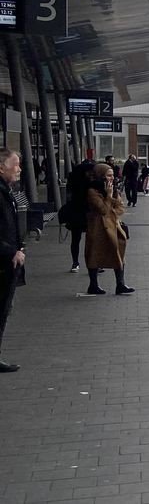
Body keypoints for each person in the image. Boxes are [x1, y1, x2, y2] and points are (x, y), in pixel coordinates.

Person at [84, 163, 133, 295]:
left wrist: (112, 206)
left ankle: (120, 284)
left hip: (113, 227)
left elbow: (120, 207)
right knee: (94, 254)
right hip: (98, 228)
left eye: (112, 175)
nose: (112, 178)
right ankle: (93, 285)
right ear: (101, 176)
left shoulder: (114, 189)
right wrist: (109, 196)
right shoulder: (92, 191)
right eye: (108, 175)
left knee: (119, 252)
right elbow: (103, 209)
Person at [0, 148, 27, 373]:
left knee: (3, 310)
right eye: (15, 164)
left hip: (7, 263)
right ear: (1, 167)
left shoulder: (7, 191)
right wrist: (10, 252)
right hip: (2, 262)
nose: (19, 169)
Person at [63, 159, 96, 273]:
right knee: (88, 239)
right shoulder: (88, 183)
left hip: (77, 214)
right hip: (83, 214)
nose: (91, 174)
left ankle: (76, 263)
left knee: (76, 239)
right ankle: (90, 263)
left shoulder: (75, 181)